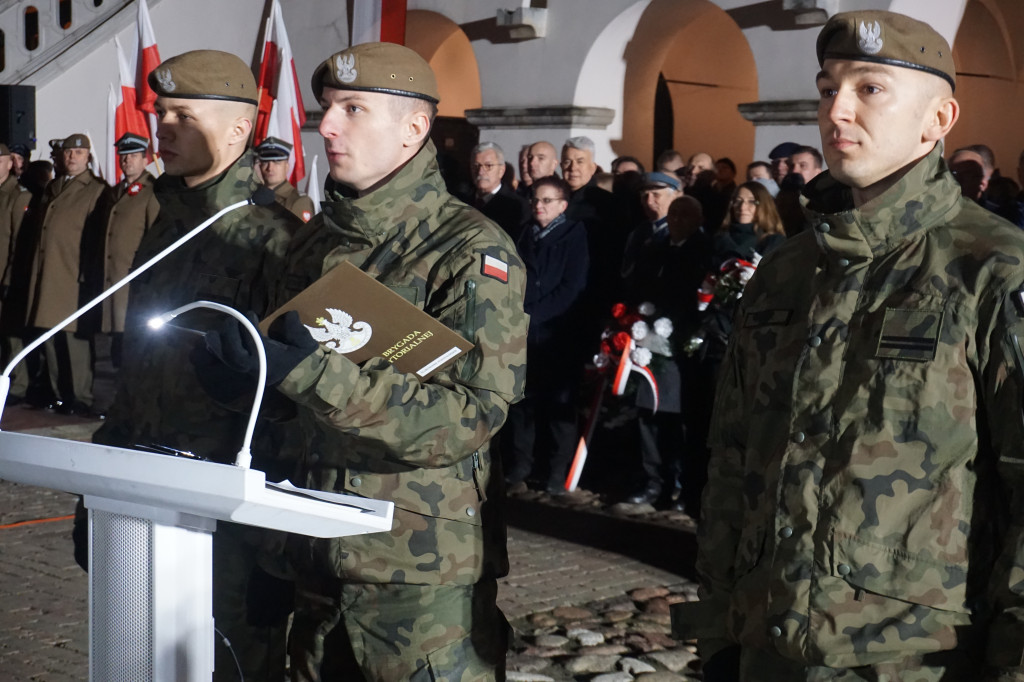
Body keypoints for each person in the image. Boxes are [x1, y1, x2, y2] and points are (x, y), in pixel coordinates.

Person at [682, 11, 1024, 681]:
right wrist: (719, 624)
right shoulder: (789, 268)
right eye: (826, 86)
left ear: (938, 119)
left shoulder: (992, 270)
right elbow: (732, 458)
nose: (836, 109)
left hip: (914, 660)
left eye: (870, 88)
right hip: (766, 647)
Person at [199, 42, 527, 681]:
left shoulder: (468, 250)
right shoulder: (316, 241)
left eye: (353, 108)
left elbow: (469, 416)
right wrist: (250, 384)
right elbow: (289, 416)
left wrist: (311, 373)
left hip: (414, 576)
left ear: (413, 129)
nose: (326, 126)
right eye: (327, 107)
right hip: (313, 556)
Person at [89, 50, 298, 682]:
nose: (164, 127)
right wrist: (101, 473)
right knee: (144, 658)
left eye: (185, 114)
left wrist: (275, 548)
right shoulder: (167, 220)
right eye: (162, 113)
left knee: (230, 664)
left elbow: (289, 396)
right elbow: (143, 369)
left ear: (238, 131)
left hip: (224, 505)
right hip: (145, 485)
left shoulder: (274, 238)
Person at [503, 175, 588, 494]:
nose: (538, 205)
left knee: (558, 408)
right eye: (535, 200)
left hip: (556, 335)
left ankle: (556, 472)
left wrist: (533, 315)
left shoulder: (574, 235)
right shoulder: (525, 234)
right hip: (525, 335)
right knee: (523, 406)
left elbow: (572, 286)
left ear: (563, 205)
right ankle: (522, 466)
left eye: (546, 200)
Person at [24, 134, 107, 416]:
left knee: (73, 340)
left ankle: (80, 396)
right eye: (68, 152)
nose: (72, 157)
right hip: (48, 273)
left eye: (78, 153)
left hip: (73, 274)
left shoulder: (96, 189)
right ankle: (59, 393)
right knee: (48, 336)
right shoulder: (54, 186)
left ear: (88, 158)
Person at [99, 133, 160, 368]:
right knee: (117, 345)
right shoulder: (116, 192)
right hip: (114, 279)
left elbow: (154, 238)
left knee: (133, 345)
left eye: (133, 156)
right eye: (124, 156)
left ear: (145, 160)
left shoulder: (151, 192)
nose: (127, 161)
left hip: (135, 280)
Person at [466, 141, 528, 240]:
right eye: (476, 166)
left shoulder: (517, 206)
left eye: (488, 166)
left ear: (501, 170)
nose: (480, 171)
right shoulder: (461, 201)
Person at [714, 180, 786, 264]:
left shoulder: (773, 241)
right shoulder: (719, 238)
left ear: (764, 206)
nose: (742, 207)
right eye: (738, 201)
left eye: (752, 202)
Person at [255, 135, 315, 224]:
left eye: (277, 162)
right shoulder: (252, 196)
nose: (270, 168)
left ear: (287, 166)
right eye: (265, 162)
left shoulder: (299, 201)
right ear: (259, 166)